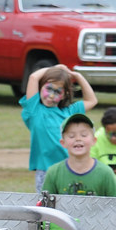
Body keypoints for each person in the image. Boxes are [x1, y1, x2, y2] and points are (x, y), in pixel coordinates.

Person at [40, 113, 116, 230]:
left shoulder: (105, 173)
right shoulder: (54, 172)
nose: (78, 139)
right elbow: (44, 209)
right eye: (71, 136)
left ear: (94, 140)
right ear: (63, 143)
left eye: (84, 135)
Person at [20, 64, 97, 194]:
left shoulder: (69, 111)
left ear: (64, 94)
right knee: (46, 208)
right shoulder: (34, 110)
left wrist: (77, 76)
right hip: (45, 170)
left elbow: (92, 100)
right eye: (48, 88)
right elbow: (33, 77)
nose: (51, 95)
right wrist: (55, 68)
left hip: (71, 168)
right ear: (40, 87)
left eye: (57, 91)